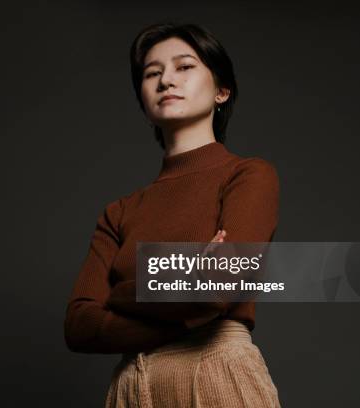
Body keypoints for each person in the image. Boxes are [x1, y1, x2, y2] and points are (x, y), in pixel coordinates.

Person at [64, 22, 281, 407]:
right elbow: (79, 326)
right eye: (152, 73)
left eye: (184, 66)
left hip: (214, 371)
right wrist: (186, 282)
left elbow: (219, 287)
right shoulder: (120, 211)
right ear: (143, 102)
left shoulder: (247, 175)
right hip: (132, 384)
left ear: (221, 90)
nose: (166, 80)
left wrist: (119, 294)